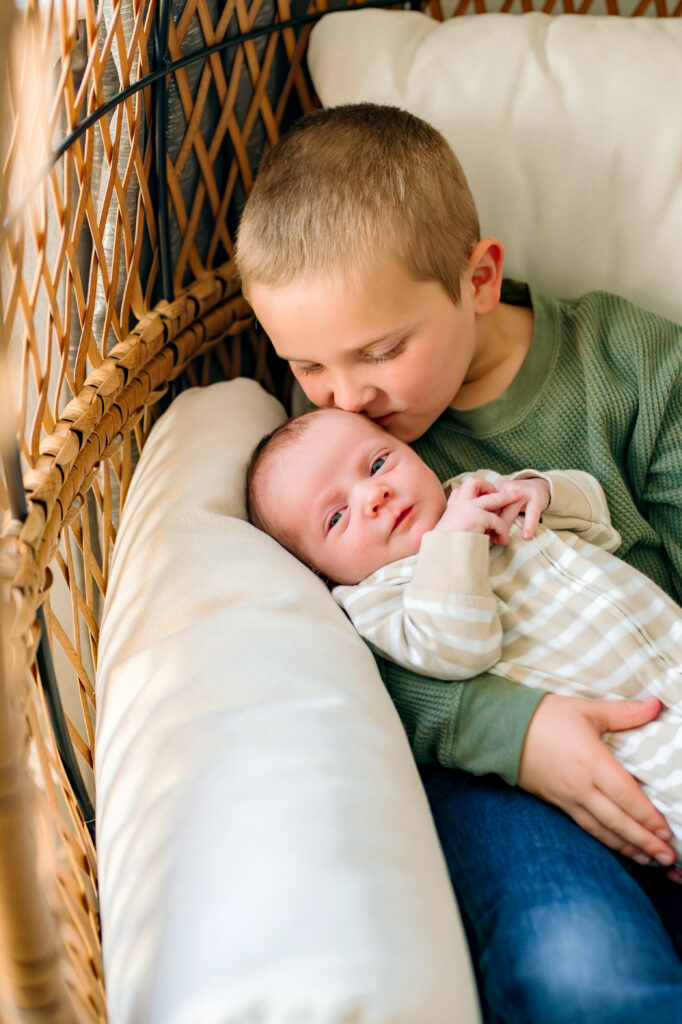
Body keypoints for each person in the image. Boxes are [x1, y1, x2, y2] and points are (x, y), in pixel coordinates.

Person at [235, 102, 682, 1021]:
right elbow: (352, 656)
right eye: (309, 369)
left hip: (656, 696)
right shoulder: (338, 469)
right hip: (507, 775)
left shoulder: (630, 364)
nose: (347, 397)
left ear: (478, 280)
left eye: (382, 351)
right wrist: (516, 734)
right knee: (579, 968)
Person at [246, 405, 682, 861]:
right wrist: (455, 541)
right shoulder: (376, 599)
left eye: (377, 464)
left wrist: (543, 491)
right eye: (336, 517)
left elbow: (600, 526)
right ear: (323, 573)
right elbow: (458, 649)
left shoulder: (474, 491)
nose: (373, 494)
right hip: (630, 738)